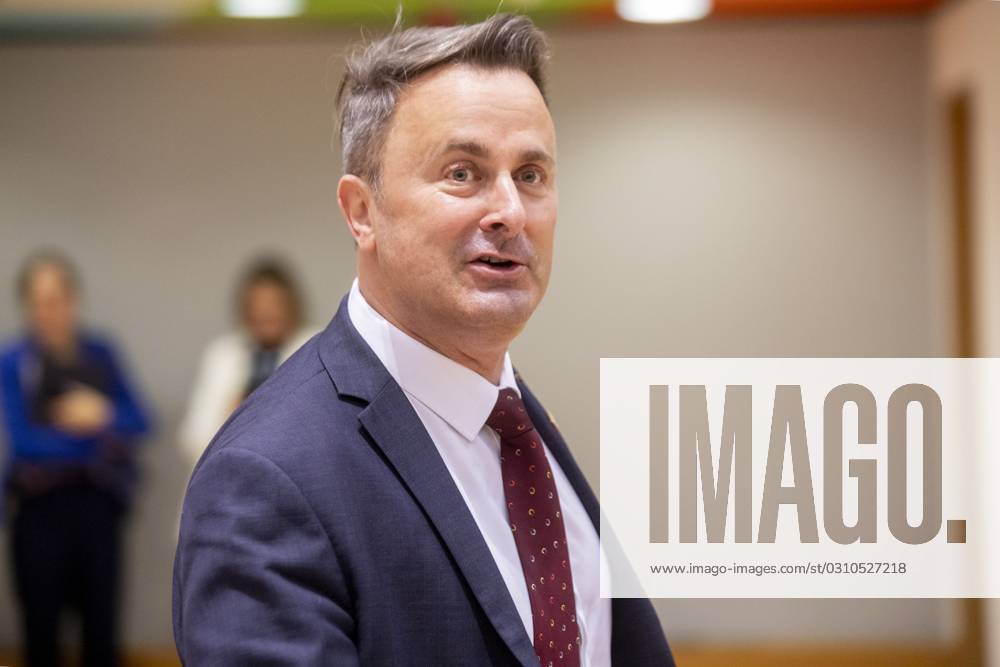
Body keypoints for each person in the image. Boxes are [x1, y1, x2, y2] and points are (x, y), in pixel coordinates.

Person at [173, 13, 673, 666]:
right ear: (362, 212)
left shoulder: (518, 423)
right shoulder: (265, 480)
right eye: (462, 173)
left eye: (531, 174)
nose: (510, 212)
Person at [0, 251, 153, 667]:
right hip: (38, 508)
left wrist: (100, 415)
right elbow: (26, 442)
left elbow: (141, 420)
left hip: (98, 505)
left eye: (59, 298)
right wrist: (96, 435)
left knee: (101, 633)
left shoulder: (101, 353)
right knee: (41, 633)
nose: (51, 311)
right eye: (40, 301)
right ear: (27, 306)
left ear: (75, 299)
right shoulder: (14, 362)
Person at [177, 258, 317, 467]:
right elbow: (193, 439)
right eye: (258, 306)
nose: (266, 313)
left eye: (274, 304)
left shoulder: (315, 347)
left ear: (292, 306)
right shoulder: (223, 355)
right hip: (227, 472)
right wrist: (231, 416)